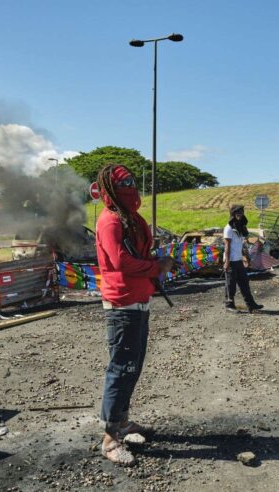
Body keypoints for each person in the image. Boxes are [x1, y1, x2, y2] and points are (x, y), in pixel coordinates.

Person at [94, 164, 174, 466]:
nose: (129, 185)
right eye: (122, 182)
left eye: (131, 180)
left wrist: (158, 262)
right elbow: (121, 262)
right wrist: (157, 267)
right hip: (122, 306)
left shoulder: (130, 219)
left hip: (138, 303)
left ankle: (123, 422)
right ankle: (110, 438)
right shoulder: (110, 221)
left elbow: (137, 255)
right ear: (110, 188)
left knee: (133, 367)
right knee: (121, 369)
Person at [223, 204, 263, 313]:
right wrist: (226, 262)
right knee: (230, 285)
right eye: (237, 212)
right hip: (230, 261)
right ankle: (229, 306)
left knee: (244, 283)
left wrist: (245, 256)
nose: (240, 214)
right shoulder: (228, 228)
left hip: (239, 260)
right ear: (233, 214)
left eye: (241, 212)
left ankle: (251, 305)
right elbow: (227, 246)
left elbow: (241, 244)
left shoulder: (240, 228)